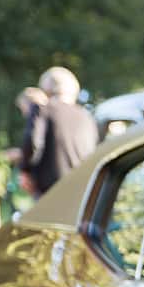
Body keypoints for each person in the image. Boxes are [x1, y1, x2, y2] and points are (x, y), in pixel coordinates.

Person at [21, 66, 97, 196]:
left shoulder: (42, 109)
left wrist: (25, 170)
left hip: (51, 191)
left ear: (46, 89)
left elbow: (33, 142)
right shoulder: (88, 117)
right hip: (82, 192)